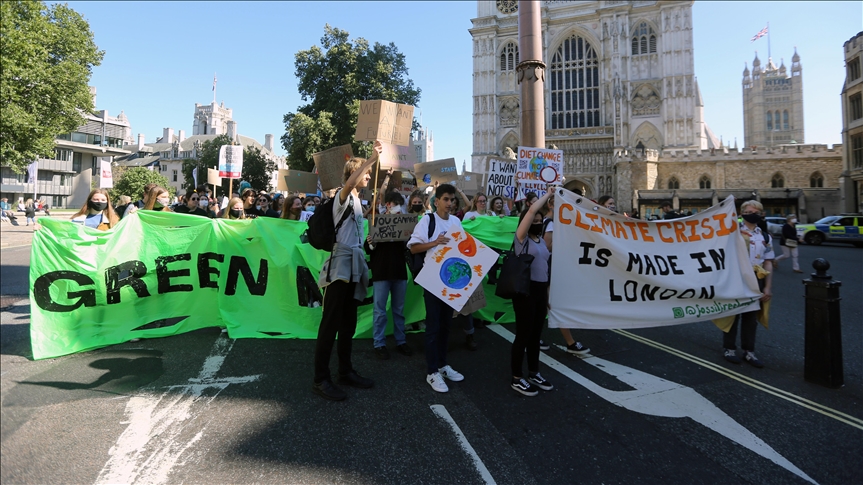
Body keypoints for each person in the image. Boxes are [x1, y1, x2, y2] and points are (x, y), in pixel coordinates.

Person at [312, 141, 382, 401]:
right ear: (354, 173)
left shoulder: (358, 202)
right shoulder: (343, 195)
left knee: (348, 323)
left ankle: (345, 371)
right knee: (330, 324)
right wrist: (372, 158)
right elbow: (350, 183)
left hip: (354, 264)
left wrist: (367, 243)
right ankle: (320, 379)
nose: (369, 176)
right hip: (340, 266)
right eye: (366, 173)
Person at [407, 183, 466, 393]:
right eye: (446, 199)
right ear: (437, 201)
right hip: (432, 281)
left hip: (450, 281)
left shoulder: (456, 222)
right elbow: (413, 248)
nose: (449, 203)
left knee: (446, 325)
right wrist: (435, 242)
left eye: (452, 200)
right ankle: (432, 371)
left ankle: (442, 365)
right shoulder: (427, 220)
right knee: (433, 326)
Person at [510, 190, 557, 396]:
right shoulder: (521, 240)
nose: (537, 223)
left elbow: (544, 269)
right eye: (534, 221)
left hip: (539, 291)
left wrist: (546, 295)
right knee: (523, 335)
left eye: (540, 221)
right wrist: (548, 194)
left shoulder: (540, 241)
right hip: (525, 291)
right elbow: (530, 212)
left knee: (536, 335)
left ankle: (534, 372)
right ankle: (516, 377)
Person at [722, 200, 774, 368]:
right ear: (742, 213)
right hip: (736, 277)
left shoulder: (765, 236)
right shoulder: (733, 231)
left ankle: (749, 351)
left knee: (751, 317)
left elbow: (768, 262)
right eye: (750, 212)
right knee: (733, 314)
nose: (753, 215)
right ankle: (729, 348)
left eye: (757, 212)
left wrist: (767, 287)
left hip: (756, 278)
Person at [365, 191, 413, 360]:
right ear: (388, 205)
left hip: (399, 271)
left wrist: (409, 240)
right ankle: (379, 343)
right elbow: (367, 248)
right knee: (380, 310)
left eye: (400, 206)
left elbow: (409, 247)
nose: (398, 209)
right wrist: (372, 243)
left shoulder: (404, 224)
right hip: (381, 271)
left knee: (399, 310)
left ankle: (401, 341)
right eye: (395, 205)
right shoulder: (376, 222)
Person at [542, 192, 590, 355]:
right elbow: (547, 247)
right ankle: (570, 343)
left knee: (547, 305)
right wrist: (567, 240)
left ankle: (533, 338)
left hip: (549, 268)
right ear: (550, 205)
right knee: (555, 305)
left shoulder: (549, 222)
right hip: (549, 268)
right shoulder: (550, 224)